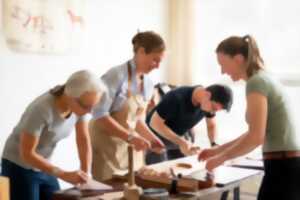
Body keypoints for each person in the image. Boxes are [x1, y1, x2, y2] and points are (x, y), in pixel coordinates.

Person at [198, 35, 300, 200]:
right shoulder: (265, 77)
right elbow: (254, 132)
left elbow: (255, 137)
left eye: (223, 64)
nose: (222, 71)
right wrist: (217, 150)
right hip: (287, 163)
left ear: (238, 59)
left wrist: (221, 158)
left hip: (283, 166)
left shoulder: (256, 82)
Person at [1, 70, 106, 200]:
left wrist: (85, 174)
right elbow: (27, 153)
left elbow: (83, 139)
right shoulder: (41, 109)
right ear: (70, 96)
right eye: (87, 107)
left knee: (58, 197)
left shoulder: (80, 108)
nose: (90, 112)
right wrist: (63, 174)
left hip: (43, 164)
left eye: (93, 107)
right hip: (19, 164)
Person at [90, 31, 166, 181]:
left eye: (160, 62)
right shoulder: (115, 76)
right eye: (155, 60)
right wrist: (130, 137)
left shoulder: (149, 84)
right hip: (106, 145)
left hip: (130, 145)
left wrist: (152, 138)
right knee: (109, 191)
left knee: (135, 187)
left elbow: (138, 121)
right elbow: (99, 114)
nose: (157, 66)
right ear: (141, 51)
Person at [147, 84, 233, 159]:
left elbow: (211, 125)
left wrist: (214, 144)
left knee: (182, 171)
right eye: (214, 108)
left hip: (177, 137)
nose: (212, 112)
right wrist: (181, 142)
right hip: (154, 136)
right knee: (158, 174)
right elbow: (154, 123)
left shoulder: (206, 103)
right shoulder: (176, 97)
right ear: (207, 95)